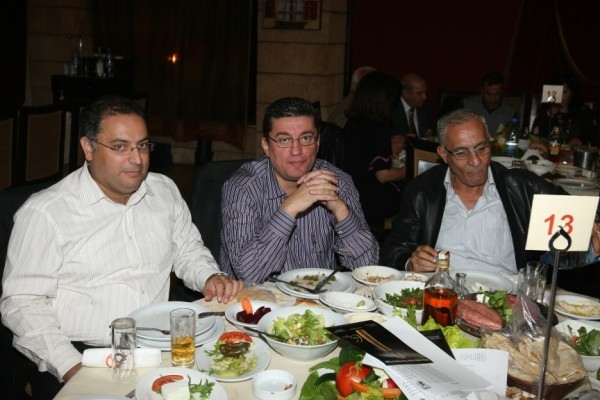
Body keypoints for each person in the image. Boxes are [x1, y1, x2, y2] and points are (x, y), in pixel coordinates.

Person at [0, 96, 243, 400]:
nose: (137, 159)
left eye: (143, 145)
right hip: (81, 353)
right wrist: (71, 366)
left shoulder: (163, 190)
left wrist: (208, 276)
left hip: (158, 346)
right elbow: (22, 304)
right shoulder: (46, 213)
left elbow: (187, 250)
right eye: (120, 147)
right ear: (88, 148)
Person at [380, 108, 597, 274]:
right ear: (444, 154)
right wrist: (410, 262)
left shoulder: (522, 187)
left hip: (507, 300)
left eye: (481, 148)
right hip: (442, 298)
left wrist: (592, 231)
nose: (475, 161)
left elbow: (579, 219)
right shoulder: (423, 191)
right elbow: (393, 247)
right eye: (462, 153)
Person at [219, 97, 379, 283]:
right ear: (266, 146)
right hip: (260, 298)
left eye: (306, 138)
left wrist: (340, 209)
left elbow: (368, 267)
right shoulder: (242, 189)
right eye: (284, 140)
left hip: (321, 297)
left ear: (317, 143)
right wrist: (289, 208)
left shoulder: (337, 181)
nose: (296, 151)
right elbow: (249, 276)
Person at [344, 71, 407, 239]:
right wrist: (413, 169)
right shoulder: (378, 127)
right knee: (414, 190)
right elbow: (383, 176)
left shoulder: (352, 123)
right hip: (370, 201)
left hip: (352, 193)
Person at [532, 73, 597, 146]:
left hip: (574, 152)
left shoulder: (583, 112)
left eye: (564, 92)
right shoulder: (545, 110)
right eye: (558, 92)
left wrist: (580, 141)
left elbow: (593, 138)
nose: (560, 96)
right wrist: (548, 116)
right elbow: (535, 136)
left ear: (572, 93)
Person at [391, 72, 434, 138]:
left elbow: (429, 132)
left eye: (425, 92)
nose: (425, 97)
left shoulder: (425, 108)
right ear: (405, 94)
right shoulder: (391, 109)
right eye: (419, 93)